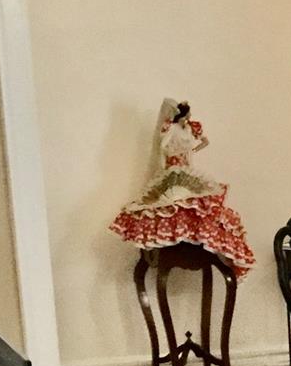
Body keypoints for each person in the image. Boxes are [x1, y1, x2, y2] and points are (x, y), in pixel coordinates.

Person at [109, 99, 256, 276]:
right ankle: (175, 231)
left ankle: (191, 231)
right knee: (173, 198)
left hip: (185, 165)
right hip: (173, 165)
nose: (189, 117)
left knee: (193, 199)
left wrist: (191, 152)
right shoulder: (171, 128)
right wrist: (171, 155)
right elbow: (162, 146)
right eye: (187, 115)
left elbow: (205, 141)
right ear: (181, 115)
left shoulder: (190, 128)